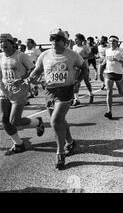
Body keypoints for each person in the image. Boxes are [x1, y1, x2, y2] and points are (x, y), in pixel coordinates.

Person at [28, 29, 87, 169]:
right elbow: (38, 69)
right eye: (52, 38)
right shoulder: (44, 55)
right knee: (60, 121)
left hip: (65, 91)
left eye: (57, 38)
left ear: (64, 41)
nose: (54, 41)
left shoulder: (73, 55)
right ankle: (71, 143)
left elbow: (84, 68)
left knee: (55, 121)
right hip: (49, 91)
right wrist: (30, 78)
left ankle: (60, 153)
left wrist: (77, 81)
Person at [0, 33, 45, 156]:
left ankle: (37, 122)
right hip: (5, 90)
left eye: (4, 41)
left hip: (20, 90)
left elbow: (33, 70)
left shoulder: (21, 56)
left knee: (14, 121)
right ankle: (19, 144)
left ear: (11, 42)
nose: (1, 44)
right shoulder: (0, 57)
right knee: (4, 120)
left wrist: (22, 79)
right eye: (0, 42)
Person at [102, 35, 123, 119]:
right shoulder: (107, 51)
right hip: (108, 73)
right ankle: (109, 111)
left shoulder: (121, 51)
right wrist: (100, 70)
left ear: (117, 42)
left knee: (120, 92)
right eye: (110, 41)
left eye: (114, 41)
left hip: (118, 73)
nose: (112, 42)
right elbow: (105, 61)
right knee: (109, 91)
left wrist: (116, 59)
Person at [72, 33, 94, 106]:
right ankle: (76, 99)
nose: (75, 40)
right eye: (75, 39)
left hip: (84, 67)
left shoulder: (85, 47)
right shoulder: (74, 47)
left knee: (87, 82)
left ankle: (91, 94)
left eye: (77, 39)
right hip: (76, 68)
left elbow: (91, 56)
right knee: (76, 83)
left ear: (81, 40)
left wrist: (82, 58)